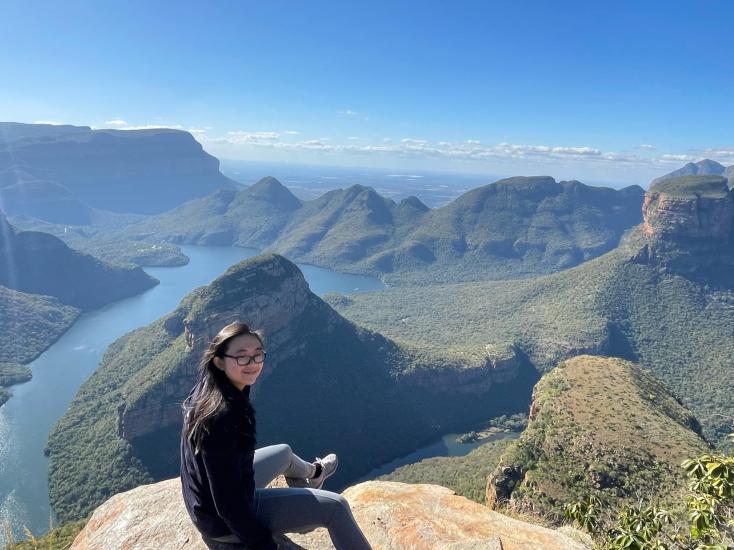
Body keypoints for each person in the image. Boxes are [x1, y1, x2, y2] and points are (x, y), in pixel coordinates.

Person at [180, 321, 372, 550]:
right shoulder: (221, 417)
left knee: (284, 452)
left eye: (257, 355)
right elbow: (228, 504)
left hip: (208, 501)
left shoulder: (209, 386)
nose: (252, 363)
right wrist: (264, 544)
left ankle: (315, 474)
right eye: (242, 357)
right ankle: (305, 504)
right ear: (219, 362)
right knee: (336, 506)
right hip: (223, 523)